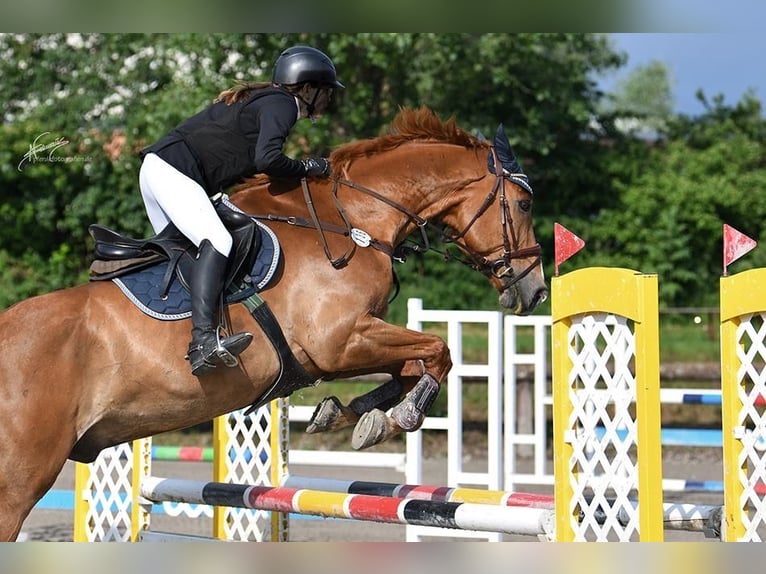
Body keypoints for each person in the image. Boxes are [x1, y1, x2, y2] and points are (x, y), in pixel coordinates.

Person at [138, 45, 344, 377]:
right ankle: (203, 343)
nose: (328, 100)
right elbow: (268, 160)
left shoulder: (265, 100)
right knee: (218, 241)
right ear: (306, 88)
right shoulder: (282, 105)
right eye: (325, 91)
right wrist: (310, 166)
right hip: (173, 172)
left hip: (159, 170)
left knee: (186, 257)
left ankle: (166, 342)